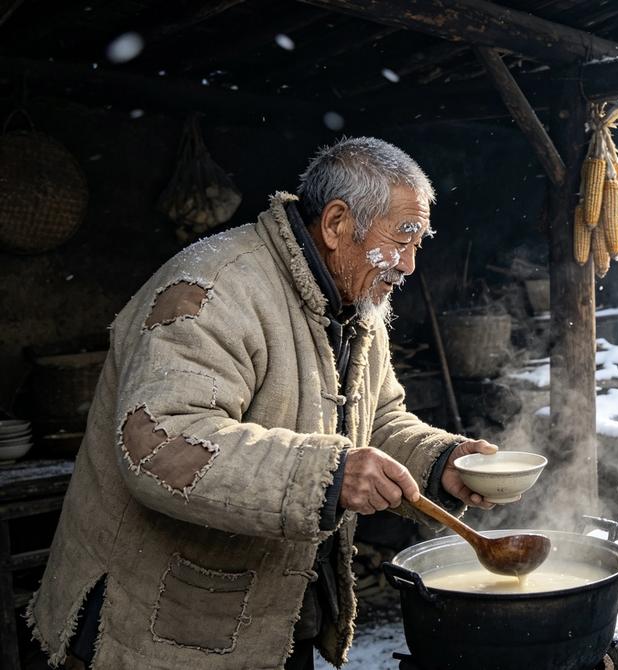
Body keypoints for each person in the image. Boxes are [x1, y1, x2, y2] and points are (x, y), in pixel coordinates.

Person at [28, 137, 506, 669]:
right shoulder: (214, 287)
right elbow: (159, 442)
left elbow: (377, 420)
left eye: (420, 241)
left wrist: (443, 462)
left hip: (273, 618)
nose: (411, 265)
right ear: (336, 224)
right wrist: (328, 473)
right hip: (157, 627)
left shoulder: (358, 306)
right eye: (404, 237)